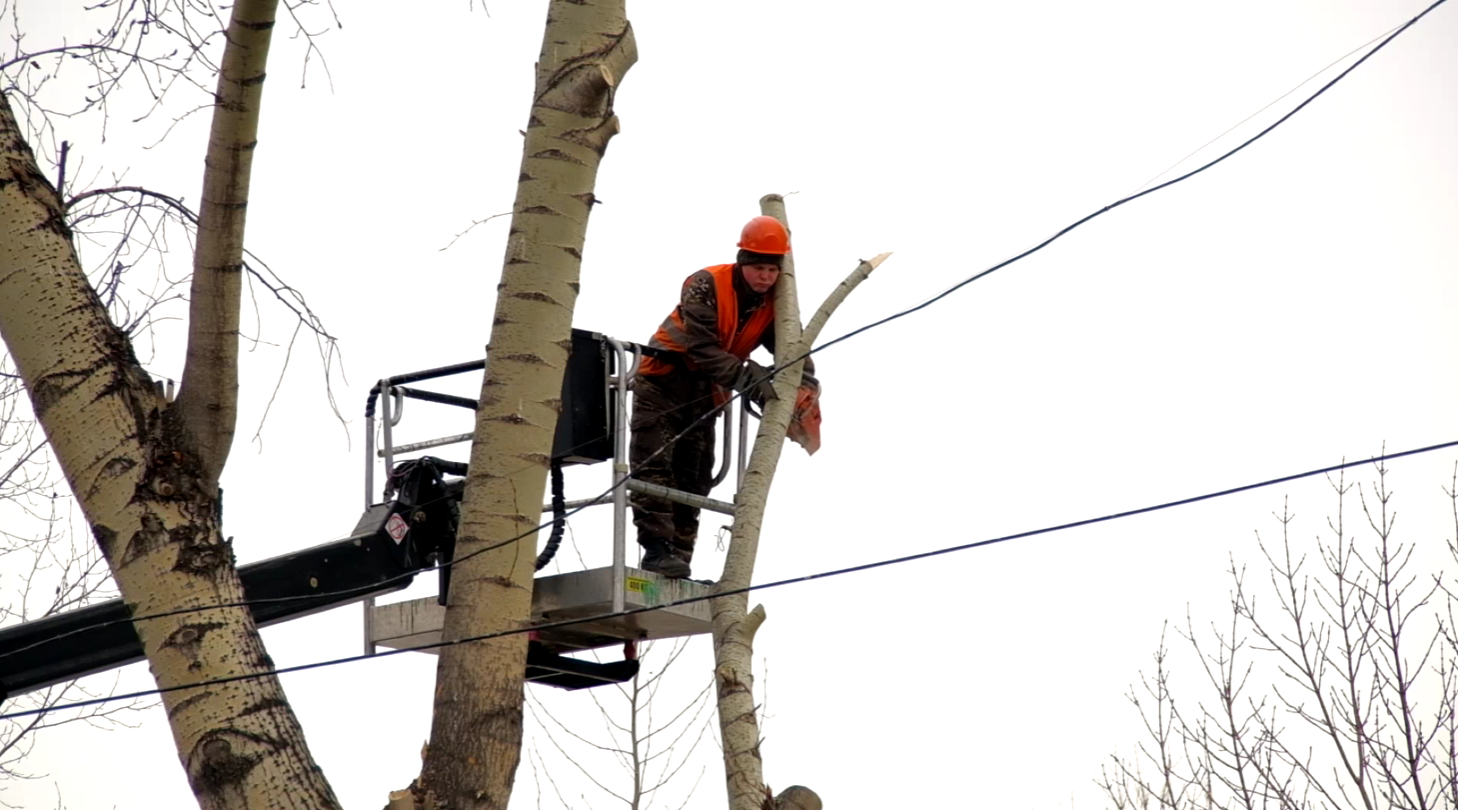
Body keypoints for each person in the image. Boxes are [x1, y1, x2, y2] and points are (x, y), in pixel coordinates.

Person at [629, 216, 816, 579]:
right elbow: (700, 346)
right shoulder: (705, 284)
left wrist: (806, 384)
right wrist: (747, 379)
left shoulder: (772, 304)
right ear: (743, 262)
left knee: (695, 477)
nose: (765, 277)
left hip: (706, 394)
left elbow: (789, 350)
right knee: (655, 466)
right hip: (663, 383)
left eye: (771, 270)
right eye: (759, 268)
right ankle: (656, 551)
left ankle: (679, 560)